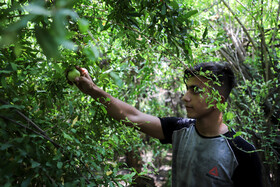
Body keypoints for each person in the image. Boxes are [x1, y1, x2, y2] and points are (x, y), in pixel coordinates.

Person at [71, 62, 263, 187]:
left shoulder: (243, 153)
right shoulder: (179, 129)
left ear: (218, 99)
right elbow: (132, 116)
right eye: (187, 88)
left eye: (195, 90)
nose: (185, 97)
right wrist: (94, 91)